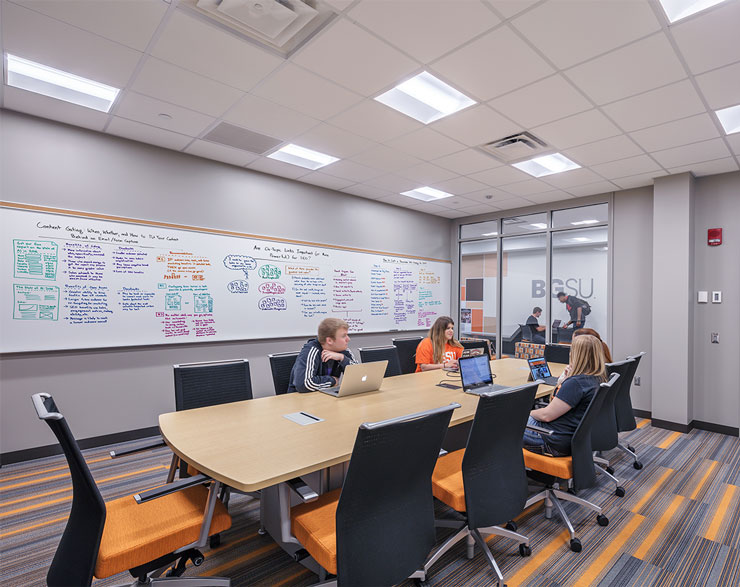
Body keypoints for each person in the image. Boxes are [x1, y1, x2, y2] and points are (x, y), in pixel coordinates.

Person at [522, 334, 605, 456]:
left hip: (552, 440)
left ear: (577, 354)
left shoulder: (576, 383)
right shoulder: (597, 378)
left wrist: (522, 415)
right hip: (571, 437)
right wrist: (563, 381)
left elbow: (546, 415)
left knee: (504, 420)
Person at [287, 317, 358, 393]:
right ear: (329, 340)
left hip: (325, 396)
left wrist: (342, 358)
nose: (348, 339)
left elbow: (359, 376)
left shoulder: (343, 351)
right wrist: (332, 381)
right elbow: (304, 384)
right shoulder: (311, 350)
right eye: (344, 336)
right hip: (300, 400)